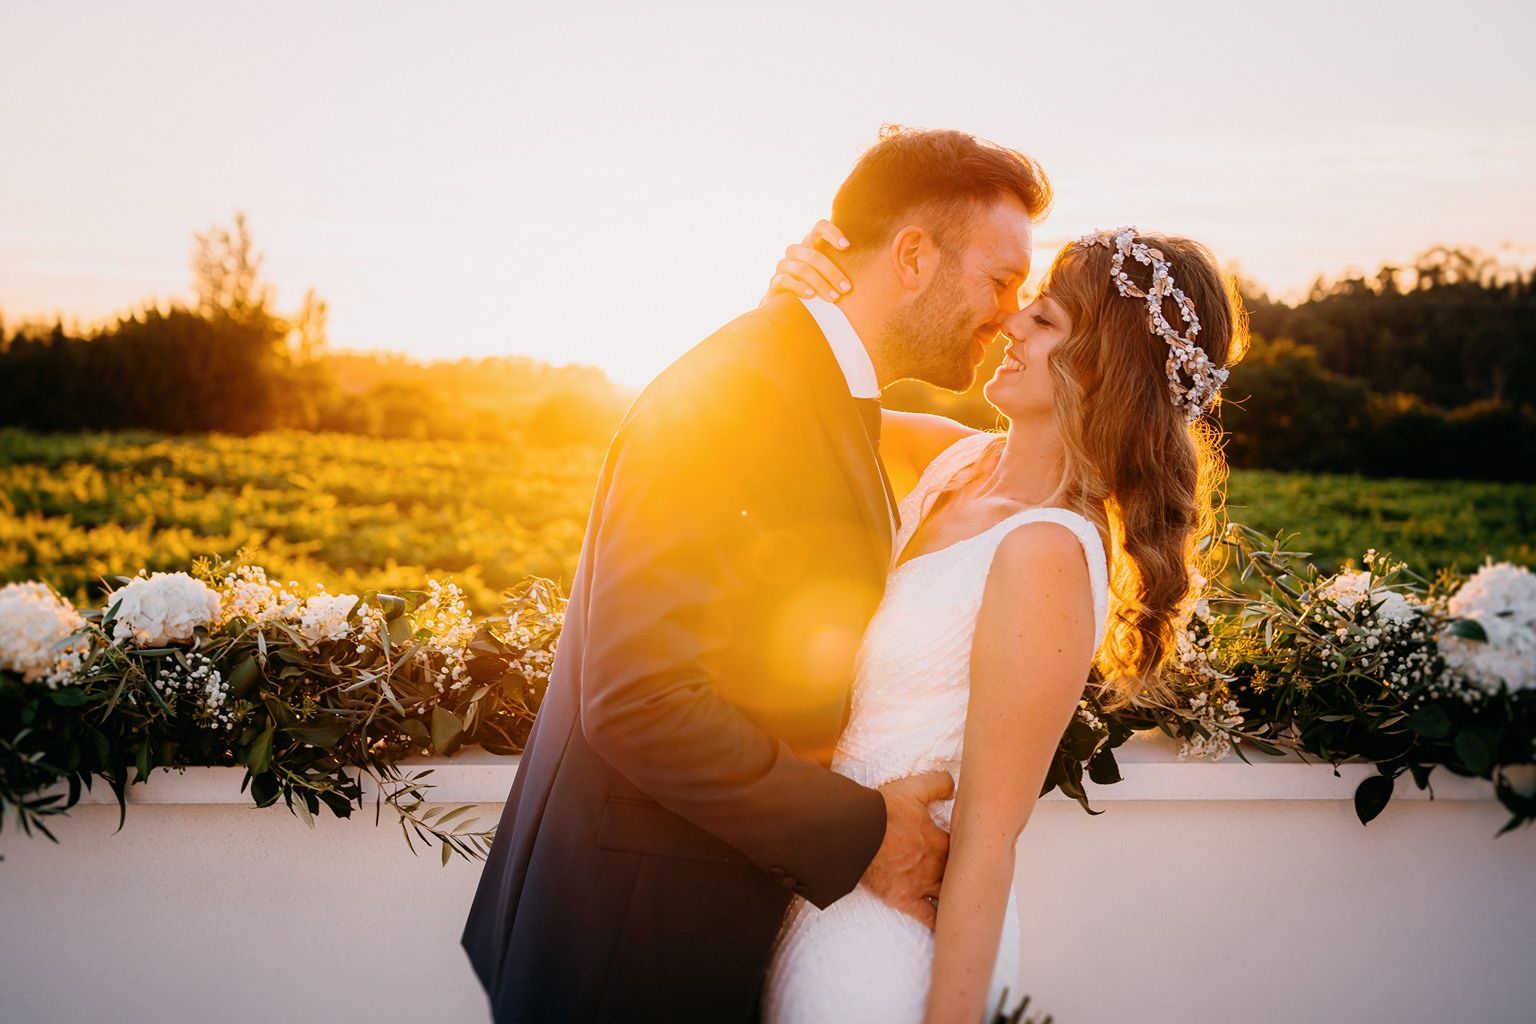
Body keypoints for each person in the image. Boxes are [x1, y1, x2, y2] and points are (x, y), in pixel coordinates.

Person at [459, 126, 1052, 1022]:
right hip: (630, 948)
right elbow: (638, 697)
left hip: (680, 921)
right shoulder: (744, 390)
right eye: (1001, 280)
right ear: (913, 257)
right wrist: (864, 833)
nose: (1010, 315)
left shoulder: (808, 382)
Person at [758, 220, 1247, 1022]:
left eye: (1044, 318)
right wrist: (793, 303)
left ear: (1101, 370)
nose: (1010, 321)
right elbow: (790, 405)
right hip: (821, 877)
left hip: (888, 940)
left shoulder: (1046, 551)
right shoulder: (952, 463)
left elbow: (986, 846)